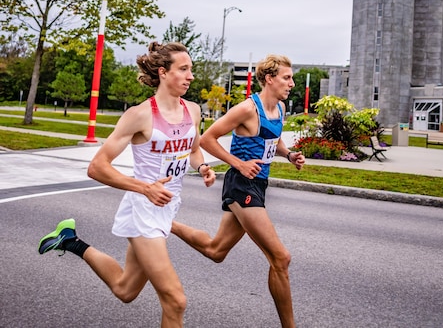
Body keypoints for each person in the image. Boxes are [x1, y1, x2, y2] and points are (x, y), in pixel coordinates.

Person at [37, 42, 216, 328]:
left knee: (125, 289)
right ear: (163, 73)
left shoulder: (192, 111)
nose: (190, 76)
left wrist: (203, 166)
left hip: (166, 208)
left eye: (190, 69)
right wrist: (145, 188)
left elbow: (193, 151)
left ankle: (69, 240)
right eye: (183, 69)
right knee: (175, 300)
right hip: (143, 208)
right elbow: (97, 167)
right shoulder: (140, 115)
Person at [171, 54, 305, 328]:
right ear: (269, 79)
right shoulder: (247, 109)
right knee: (281, 258)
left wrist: (289, 155)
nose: (292, 83)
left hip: (258, 184)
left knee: (216, 250)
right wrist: (239, 164)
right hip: (241, 184)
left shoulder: (279, 108)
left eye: (291, 78)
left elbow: (273, 141)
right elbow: (206, 139)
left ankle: (164, 222)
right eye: (287, 78)